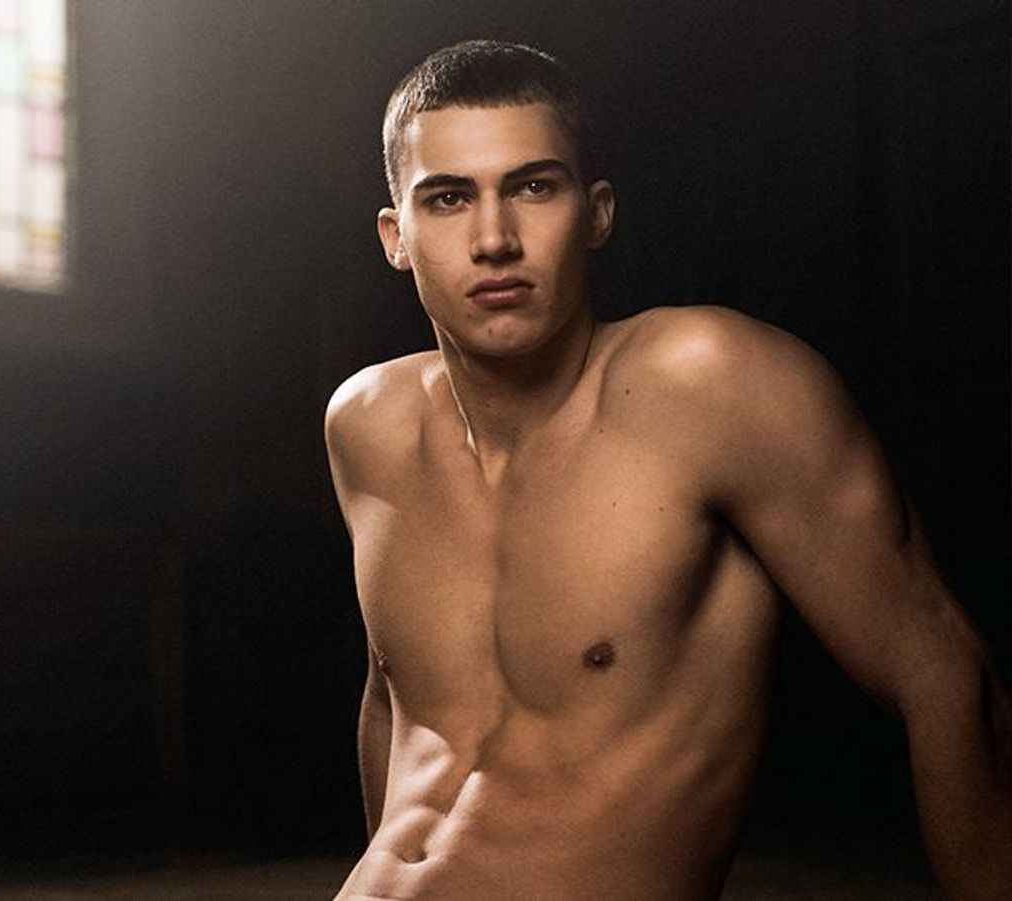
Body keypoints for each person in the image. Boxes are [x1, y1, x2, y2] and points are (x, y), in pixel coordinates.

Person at [323, 39, 1010, 899]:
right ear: (397, 236)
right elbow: (395, 703)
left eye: (533, 187)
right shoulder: (368, 423)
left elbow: (947, 678)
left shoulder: (708, 383)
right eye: (450, 198)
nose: (494, 239)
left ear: (597, 213)